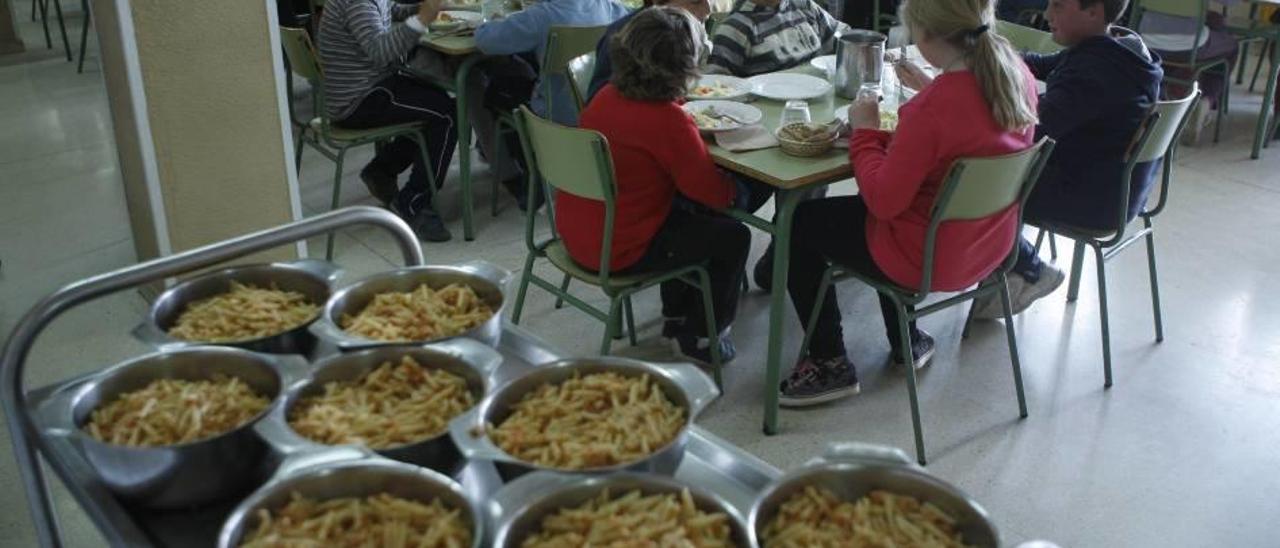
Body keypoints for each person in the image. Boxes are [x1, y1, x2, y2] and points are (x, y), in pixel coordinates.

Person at [778, 0, 1039, 406]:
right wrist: (928, 91)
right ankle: (907, 340)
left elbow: (882, 202)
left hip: (924, 258)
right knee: (911, 207)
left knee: (803, 221)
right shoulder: (1014, 74)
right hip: (987, 249)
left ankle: (829, 360)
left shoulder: (930, 110)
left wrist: (864, 132)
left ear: (926, 35)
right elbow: (966, 131)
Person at [564, 6, 751, 363]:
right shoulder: (669, 121)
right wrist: (738, 190)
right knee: (732, 234)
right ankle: (700, 336)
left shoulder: (604, 97)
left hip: (580, 233)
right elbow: (711, 192)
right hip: (621, 250)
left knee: (685, 215)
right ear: (685, 68)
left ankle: (676, 316)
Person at [966, 0, 1163, 319]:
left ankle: (1029, 269)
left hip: (1092, 200)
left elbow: (1029, 123)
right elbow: (1041, 65)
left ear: (1093, 11)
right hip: (1117, 187)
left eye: (1058, 5)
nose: (1046, 15)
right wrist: (991, 59)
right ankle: (1006, 268)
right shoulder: (1118, 49)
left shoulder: (1096, 72)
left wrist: (964, 91)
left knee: (975, 183)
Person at [318, 0, 459, 242]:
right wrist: (423, 18)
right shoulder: (358, 3)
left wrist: (420, 7)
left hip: (366, 87)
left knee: (437, 102)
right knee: (446, 115)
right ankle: (413, 203)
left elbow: (391, 10)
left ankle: (382, 169)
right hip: (358, 98)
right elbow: (381, 52)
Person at [474, 0, 630, 209]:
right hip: (599, 105)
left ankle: (525, 169)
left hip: (555, 111)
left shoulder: (541, 16)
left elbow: (486, 41)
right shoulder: (610, 8)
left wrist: (488, 23)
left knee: (498, 91)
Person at [586, 0, 713, 103]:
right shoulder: (627, 36)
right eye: (695, 1)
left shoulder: (684, 31)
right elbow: (597, 102)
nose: (708, 10)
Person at [706, 0, 851, 76]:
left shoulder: (804, 6)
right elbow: (719, 86)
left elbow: (842, 36)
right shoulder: (736, 27)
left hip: (821, 99)